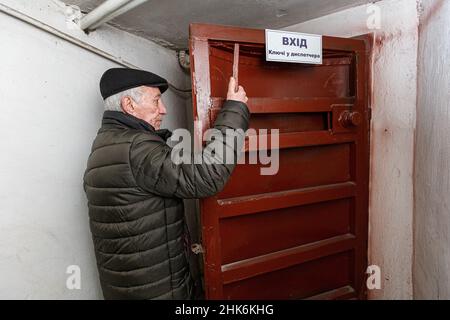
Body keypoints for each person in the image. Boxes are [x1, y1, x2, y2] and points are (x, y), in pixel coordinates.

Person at [83, 68, 250, 299]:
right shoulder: (137, 149)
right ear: (129, 105)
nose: (164, 109)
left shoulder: (105, 145)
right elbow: (210, 174)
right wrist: (234, 109)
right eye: (156, 100)